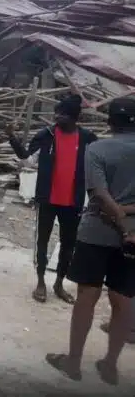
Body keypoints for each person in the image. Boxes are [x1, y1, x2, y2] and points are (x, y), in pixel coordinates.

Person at [46, 98, 135, 386]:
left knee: (87, 295)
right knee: (123, 300)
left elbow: (98, 194)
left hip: (97, 230)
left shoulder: (96, 149)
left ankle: (73, 363)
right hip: (133, 236)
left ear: (110, 122)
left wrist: (118, 215)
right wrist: (128, 218)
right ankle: (109, 366)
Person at [6, 94, 97, 304]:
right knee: (42, 242)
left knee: (68, 244)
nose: (57, 116)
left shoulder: (87, 139)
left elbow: (95, 167)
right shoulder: (46, 135)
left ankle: (59, 283)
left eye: (63, 114)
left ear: (74, 117)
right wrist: (12, 138)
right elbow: (27, 160)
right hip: (47, 199)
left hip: (73, 201)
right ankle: (40, 281)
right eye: (57, 112)